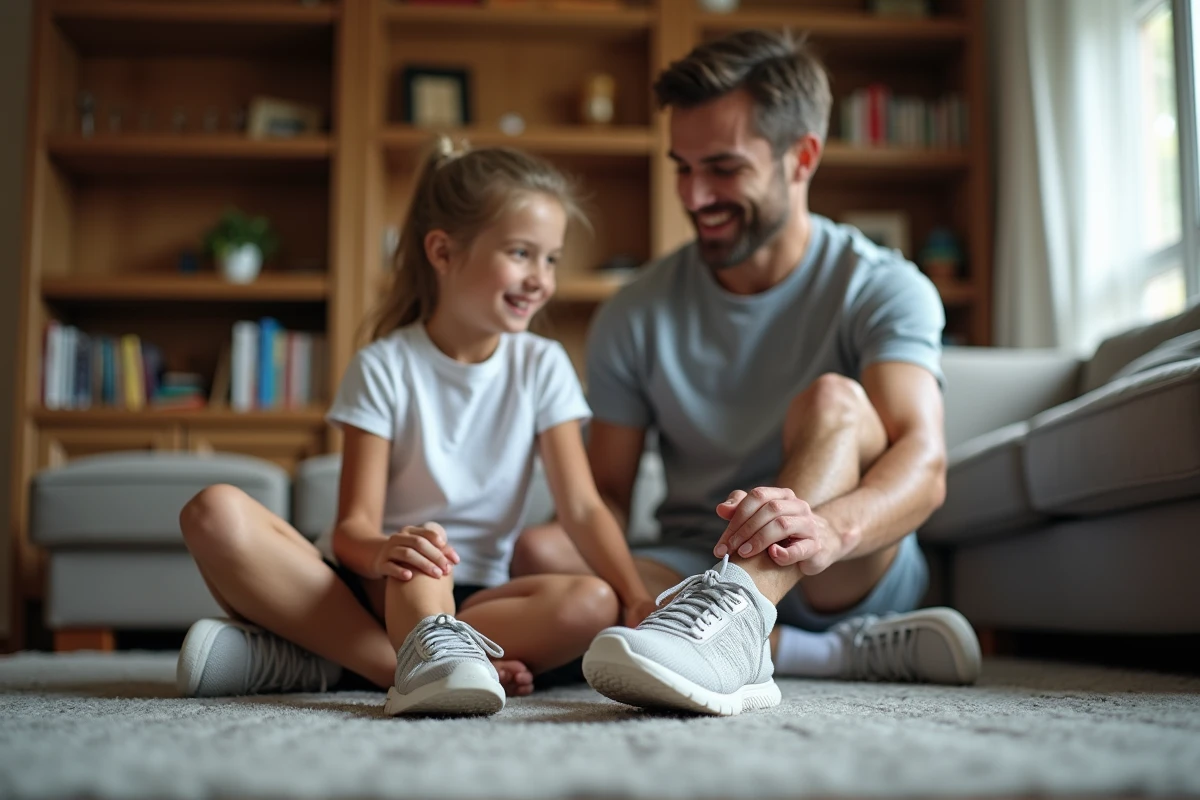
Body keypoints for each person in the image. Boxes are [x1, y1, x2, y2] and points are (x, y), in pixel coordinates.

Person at [512, 29, 982, 716]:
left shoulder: (884, 286)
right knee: (542, 550)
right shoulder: (636, 310)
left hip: (838, 566)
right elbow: (606, 492)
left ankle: (744, 614)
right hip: (691, 560)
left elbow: (923, 460)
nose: (695, 196)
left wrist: (823, 532)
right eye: (682, 167)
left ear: (803, 157)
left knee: (836, 401)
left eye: (724, 169)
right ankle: (812, 652)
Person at [175, 138, 657, 716]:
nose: (541, 279)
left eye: (551, 258)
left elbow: (581, 507)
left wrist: (633, 594)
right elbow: (352, 529)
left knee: (591, 601)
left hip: (479, 597)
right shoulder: (385, 365)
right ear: (443, 252)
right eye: (522, 253)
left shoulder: (542, 364)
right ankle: (399, 664)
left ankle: (339, 656)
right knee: (215, 510)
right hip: (374, 578)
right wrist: (388, 550)